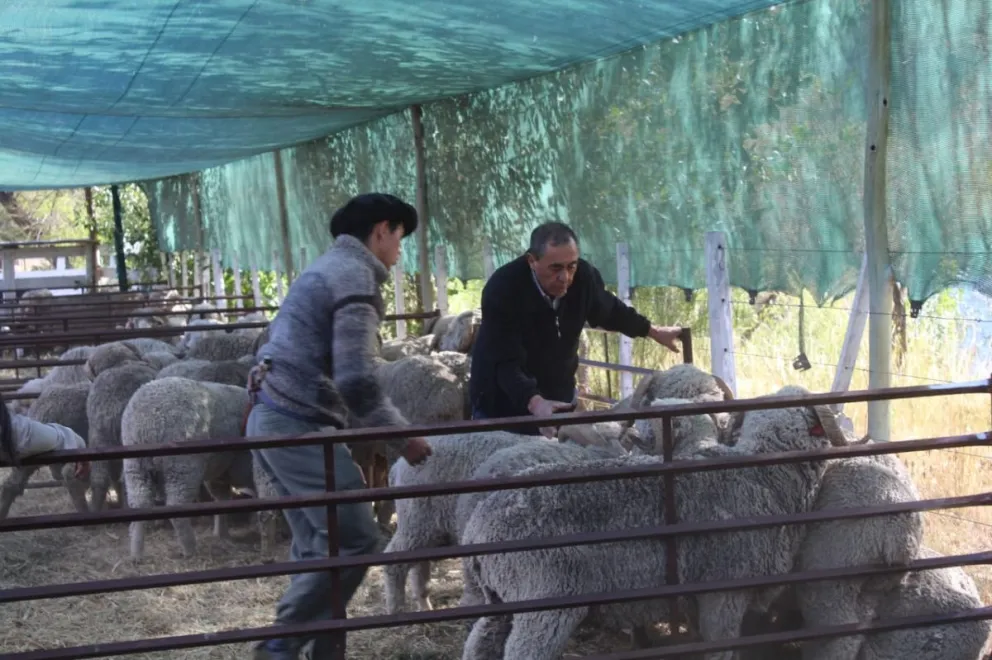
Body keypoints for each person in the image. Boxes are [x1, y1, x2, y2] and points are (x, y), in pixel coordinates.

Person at [248, 193, 432, 660]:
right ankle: (280, 646)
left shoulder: (325, 268)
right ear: (381, 231)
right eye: (400, 238)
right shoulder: (355, 276)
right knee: (356, 537)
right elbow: (355, 377)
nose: (400, 249)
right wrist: (401, 438)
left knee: (319, 546)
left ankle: (319, 654)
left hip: (274, 414)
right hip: (296, 423)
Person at [469, 221, 683, 437]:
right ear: (532, 261)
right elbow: (505, 361)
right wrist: (534, 403)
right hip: (502, 403)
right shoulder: (503, 290)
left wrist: (653, 331)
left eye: (572, 265)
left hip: (558, 399)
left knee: (563, 465)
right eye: (556, 268)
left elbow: (610, 310)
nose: (566, 278)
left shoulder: (583, 278)